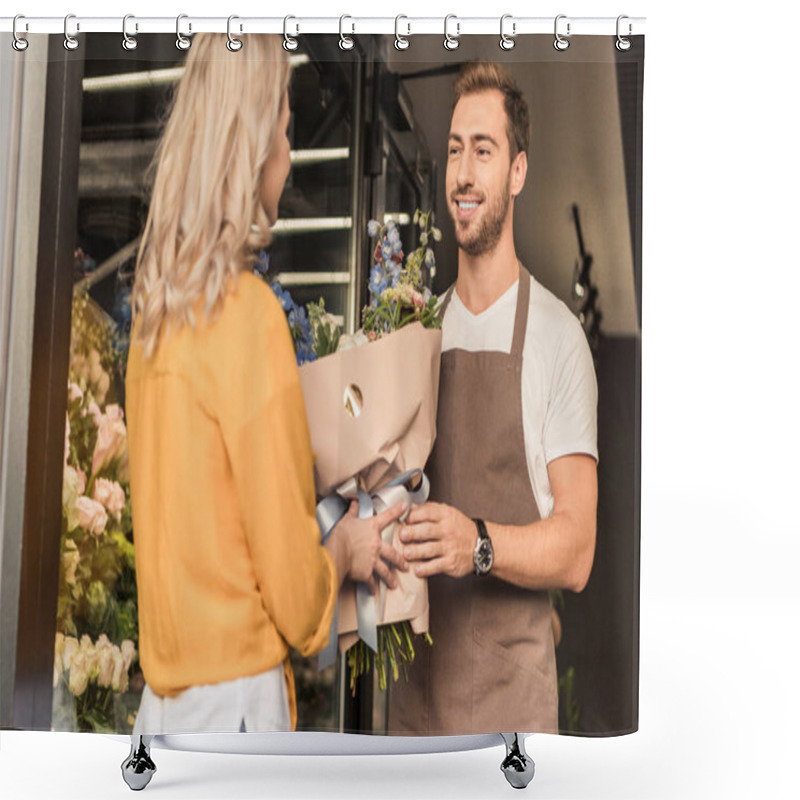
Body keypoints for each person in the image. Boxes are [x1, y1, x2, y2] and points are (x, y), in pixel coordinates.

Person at [125, 33, 407, 735]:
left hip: (161, 714)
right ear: (252, 149)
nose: (288, 156)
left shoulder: (154, 320)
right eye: (283, 133)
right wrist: (343, 549)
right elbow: (294, 598)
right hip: (238, 715)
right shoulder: (248, 316)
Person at [388, 62, 598, 735]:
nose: (464, 173)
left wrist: (474, 542)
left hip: (513, 719)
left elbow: (577, 550)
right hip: (416, 709)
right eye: (454, 151)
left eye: (484, 150)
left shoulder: (559, 340)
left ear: (517, 172)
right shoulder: (415, 333)